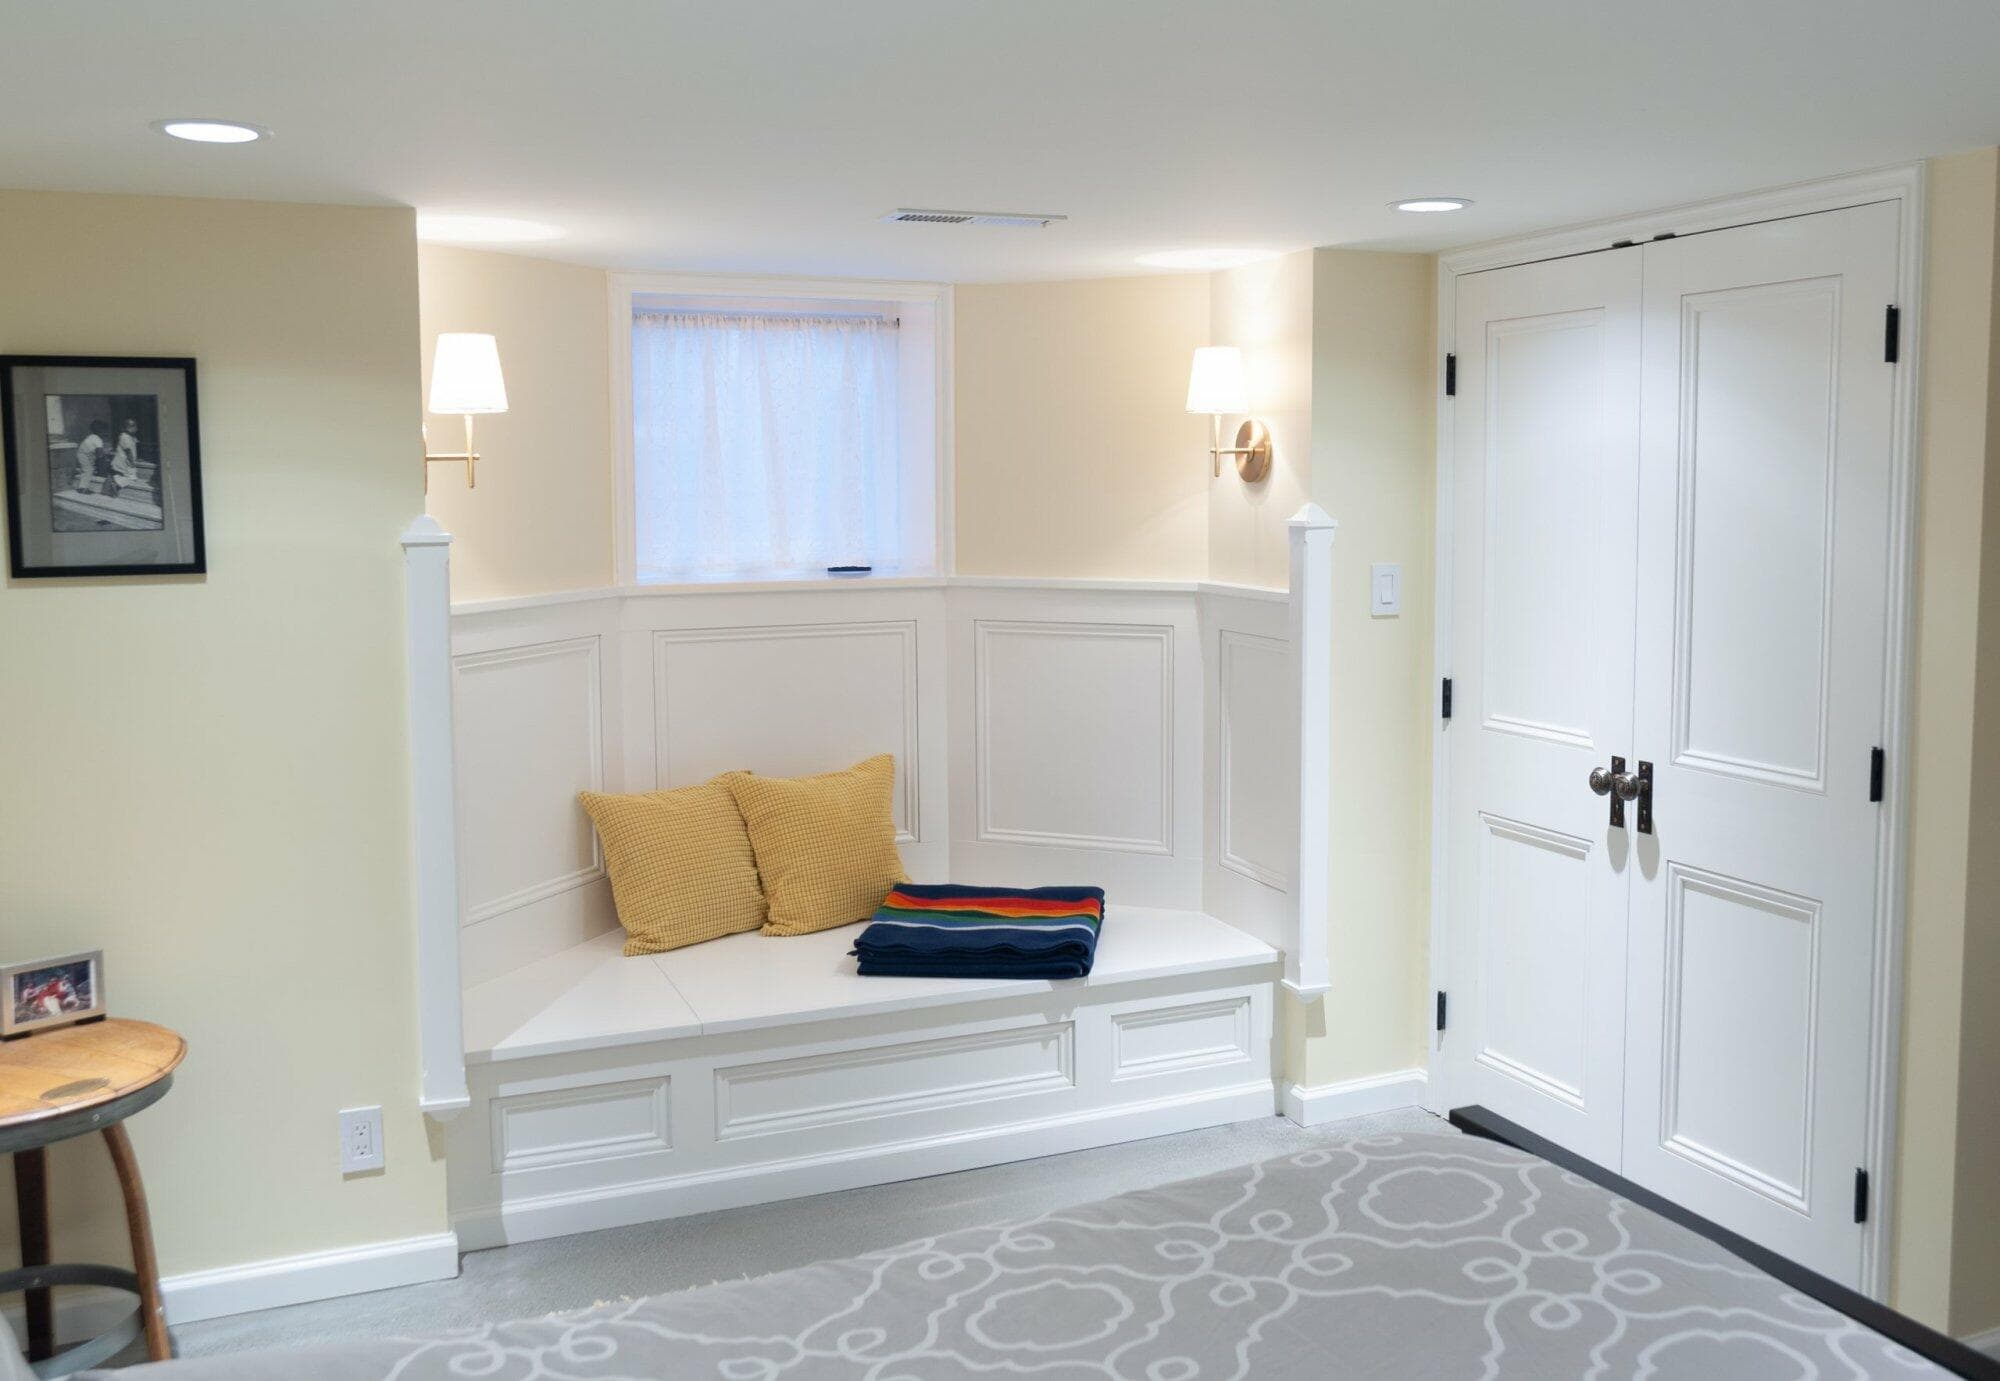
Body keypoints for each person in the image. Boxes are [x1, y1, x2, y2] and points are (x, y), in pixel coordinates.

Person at [73, 420, 110, 493]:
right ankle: (82, 488)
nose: (106, 434)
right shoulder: (98, 440)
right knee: (88, 470)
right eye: (105, 432)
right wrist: (105, 457)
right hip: (85, 455)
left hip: (82, 454)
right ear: (101, 431)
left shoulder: (91, 436)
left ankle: (83, 487)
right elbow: (99, 454)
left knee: (87, 470)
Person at [112, 416, 142, 492]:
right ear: (128, 428)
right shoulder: (125, 437)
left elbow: (133, 447)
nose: (136, 429)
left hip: (128, 460)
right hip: (125, 460)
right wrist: (132, 462)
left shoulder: (131, 437)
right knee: (131, 477)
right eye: (134, 427)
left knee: (131, 476)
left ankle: (117, 480)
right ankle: (116, 483)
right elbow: (128, 451)